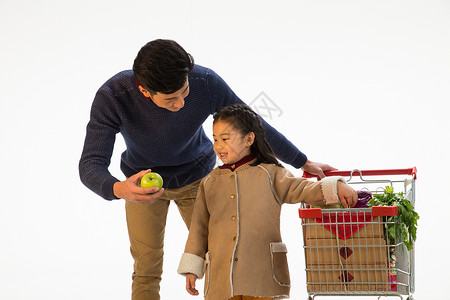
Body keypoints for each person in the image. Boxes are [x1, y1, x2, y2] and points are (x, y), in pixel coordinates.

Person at [79, 39, 337, 300]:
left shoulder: (205, 82)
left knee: (223, 256)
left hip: (199, 181)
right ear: (145, 91)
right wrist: (120, 189)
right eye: (171, 100)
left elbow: (252, 124)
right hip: (140, 185)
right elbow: (90, 163)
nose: (180, 103)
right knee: (146, 266)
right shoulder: (113, 96)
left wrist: (302, 161)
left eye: (184, 92)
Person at [177, 104, 357, 300]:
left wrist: (335, 187)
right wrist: (192, 269)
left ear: (249, 138)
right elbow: (198, 229)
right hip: (221, 278)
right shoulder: (209, 182)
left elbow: (301, 188)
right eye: (215, 139)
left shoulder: (270, 173)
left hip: (263, 274)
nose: (218, 145)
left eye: (225, 139)